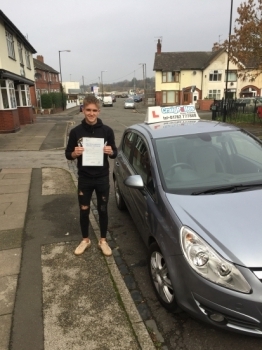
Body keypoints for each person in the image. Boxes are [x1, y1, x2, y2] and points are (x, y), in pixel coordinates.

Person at [65, 95, 117, 256]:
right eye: (88, 110)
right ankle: (85, 240)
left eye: (94, 110)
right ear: (83, 110)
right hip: (85, 178)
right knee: (84, 209)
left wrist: (111, 151)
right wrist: (74, 153)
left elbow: (115, 153)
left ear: (99, 111)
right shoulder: (76, 132)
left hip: (102, 177)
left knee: (103, 209)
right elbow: (68, 154)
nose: (91, 113)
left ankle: (103, 240)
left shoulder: (107, 131)